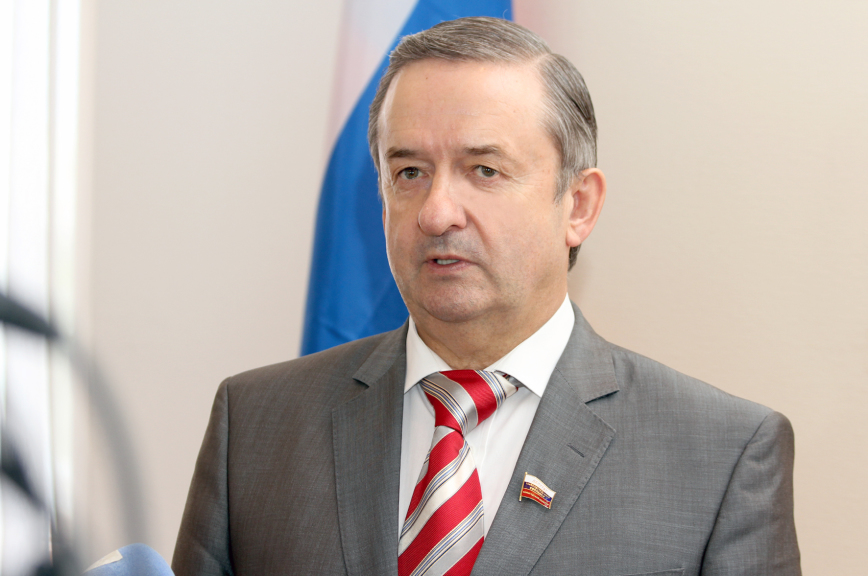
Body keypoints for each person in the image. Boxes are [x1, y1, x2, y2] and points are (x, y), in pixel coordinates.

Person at [172, 17, 800, 576]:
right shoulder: (254, 426)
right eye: (409, 172)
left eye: (484, 170)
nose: (437, 212)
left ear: (578, 206)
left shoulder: (722, 455)